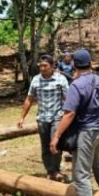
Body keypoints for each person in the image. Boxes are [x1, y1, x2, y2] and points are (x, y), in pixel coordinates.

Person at [50, 49, 99, 196]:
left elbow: (69, 114)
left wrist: (56, 136)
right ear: (91, 63)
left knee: (80, 175)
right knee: (98, 163)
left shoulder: (76, 86)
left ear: (74, 65)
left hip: (87, 132)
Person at [18, 54, 69, 182]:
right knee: (45, 147)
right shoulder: (36, 80)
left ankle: (56, 170)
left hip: (57, 117)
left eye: (45, 66)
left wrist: (70, 115)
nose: (42, 68)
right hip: (42, 118)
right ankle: (50, 171)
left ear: (52, 66)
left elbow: (67, 98)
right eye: (40, 66)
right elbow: (29, 99)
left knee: (55, 144)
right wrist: (22, 117)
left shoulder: (61, 79)